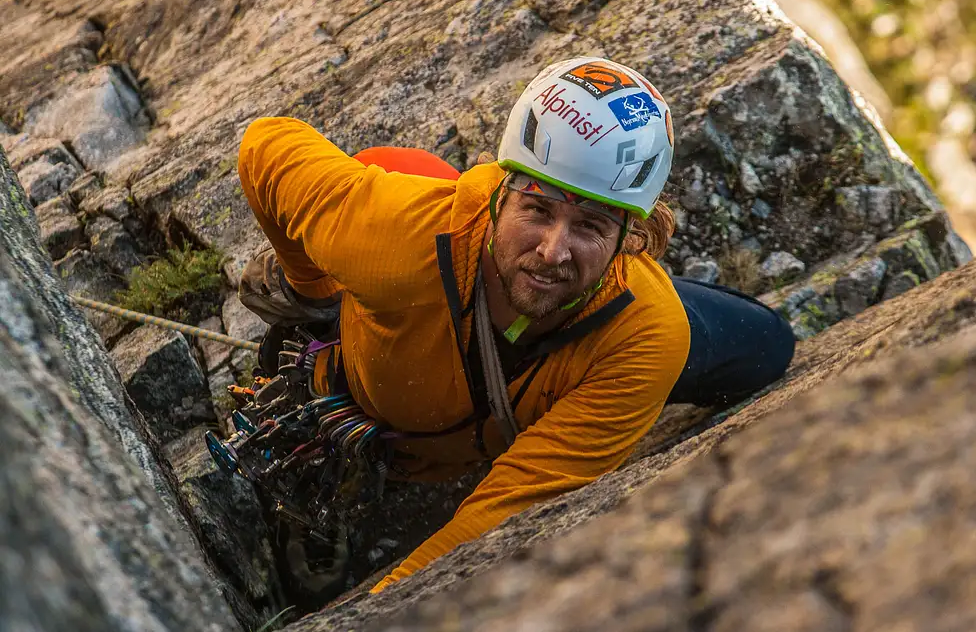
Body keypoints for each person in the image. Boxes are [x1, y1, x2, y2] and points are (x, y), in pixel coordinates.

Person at [236, 57, 795, 595]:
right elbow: (266, 147)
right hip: (382, 357)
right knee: (408, 180)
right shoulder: (396, 238)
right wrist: (314, 293)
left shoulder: (644, 335)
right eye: (537, 209)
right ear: (502, 193)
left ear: (631, 237)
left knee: (765, 347)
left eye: (591, 225)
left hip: (601, 321)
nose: (554, 251)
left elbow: (503, 511)